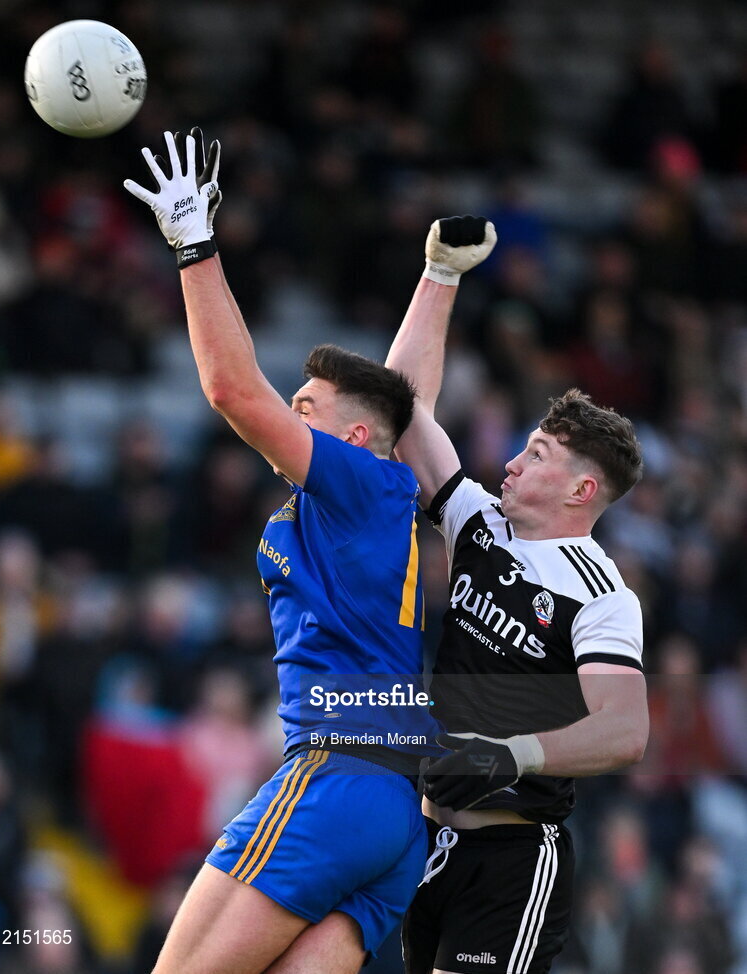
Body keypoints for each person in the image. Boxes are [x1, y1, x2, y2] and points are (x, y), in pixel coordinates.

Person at [123, 130, 442, 974]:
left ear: (356, 436)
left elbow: (231, 390)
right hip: (395, 814)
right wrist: (437, 277)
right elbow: (414, 396)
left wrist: (193, 244)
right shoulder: (377, 492)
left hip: (333, 785)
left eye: (305, 403)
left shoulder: (357, 483)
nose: (288, 414)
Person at [385, 215, 650, 974]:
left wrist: (511, 754)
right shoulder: (480, 524)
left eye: (535, 454)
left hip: (509, 857)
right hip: (423, 839)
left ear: (581, 488)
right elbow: (400, 414)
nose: (509, 462)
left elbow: (625, 731)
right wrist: (440, 273)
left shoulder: (602, 596)